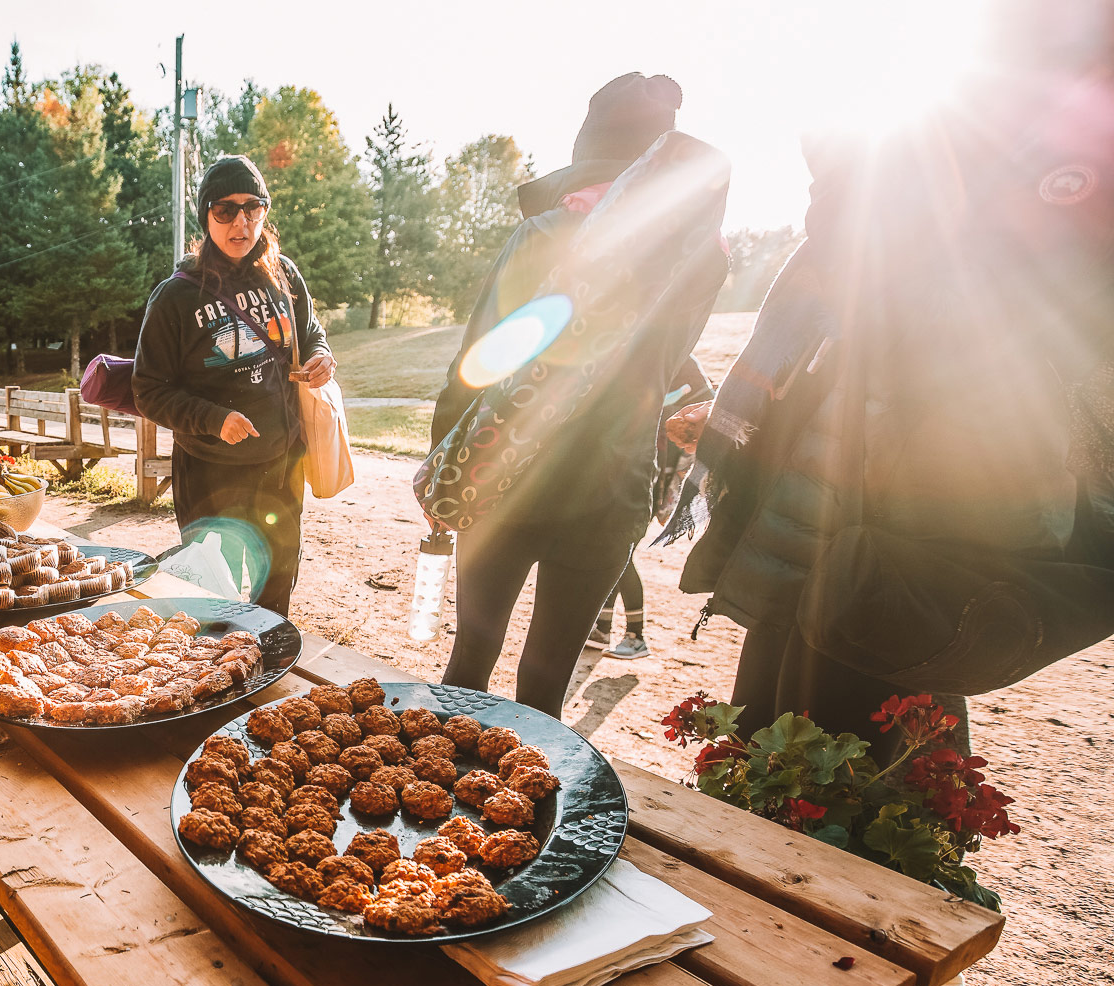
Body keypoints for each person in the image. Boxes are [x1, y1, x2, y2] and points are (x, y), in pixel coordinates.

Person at [679, 5, 1113, 764]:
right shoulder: (889, 203)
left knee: (858, 778)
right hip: (829, 545)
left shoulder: (1029, 172)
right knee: (783, 762)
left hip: (905, 554)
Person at [424, 75, 728, 715]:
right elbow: (666, 365)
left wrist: (443, 470)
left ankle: (440, 809)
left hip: (504, 475)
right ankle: (531, 812)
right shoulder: (698, 261)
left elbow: (475, 367)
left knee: (470, 662)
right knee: (545, 689)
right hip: (611, 487)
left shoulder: (543, 235)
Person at [132, 155, 334, 615]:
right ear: (206, 216)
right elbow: (148, 389)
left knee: (276, 590)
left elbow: (312, 335)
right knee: (212, 600)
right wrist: (213, 418)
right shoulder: (177, 295)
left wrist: (322, 356)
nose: (241, 222)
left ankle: (269, 678)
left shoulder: (284, 275)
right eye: (225, 210)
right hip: (209, 471)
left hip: (282, 466)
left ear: (264, 211)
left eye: (253, 208)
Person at [587, 357, 714, 659]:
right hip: (641, 480)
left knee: (621, 556)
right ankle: (602, 628)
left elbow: (670, 401)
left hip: (649, 485)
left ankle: (635, 636)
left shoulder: (678, 375)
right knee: (612, 556)